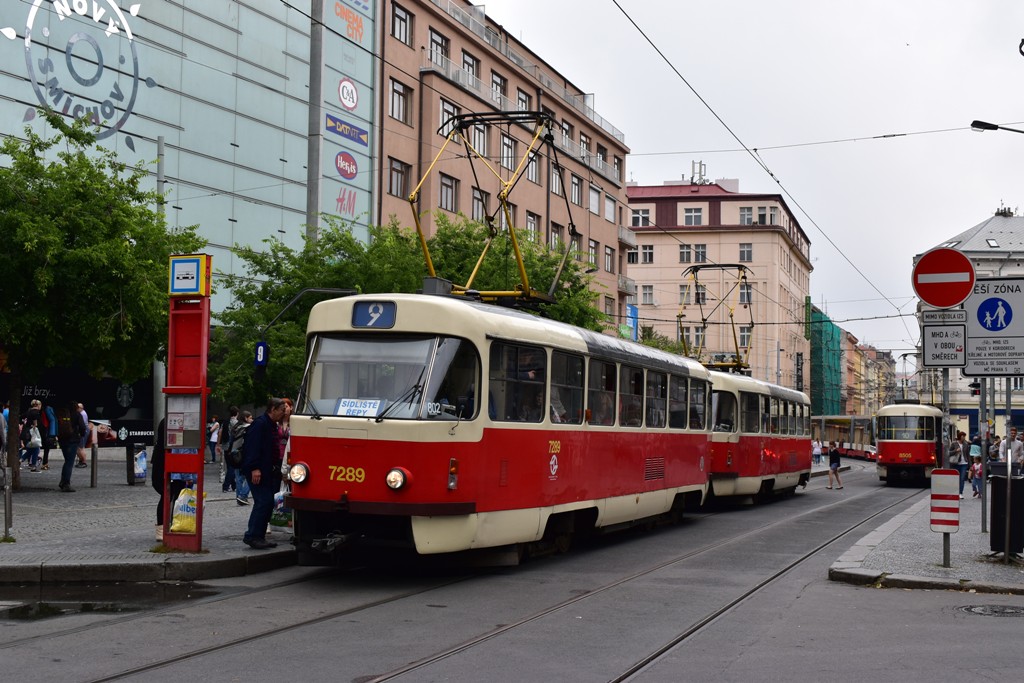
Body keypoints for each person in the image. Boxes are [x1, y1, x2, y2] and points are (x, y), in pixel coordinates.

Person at [241, 398, 288, 549]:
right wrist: (255, 468)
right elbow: (252, 447)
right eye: (282, 410)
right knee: (264, 502)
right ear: (273, 409)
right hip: (258, 470)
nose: (283, 413)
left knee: (266, 502)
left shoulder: (270, 425)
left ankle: (258, 536)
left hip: (266, 470)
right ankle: (252, 535)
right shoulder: (260, 424)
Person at [56, 400, 85, 492]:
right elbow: (82, 427)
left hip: (62, 439)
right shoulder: (77, 414)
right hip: (72, 440)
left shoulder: (63, 414)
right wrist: (82, 435)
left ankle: (63, 481)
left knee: (67, 461)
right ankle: (66, 483)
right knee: (69, 462)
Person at [230, 410, 254, 505]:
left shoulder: (235, 427)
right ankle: (243, 496)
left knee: (238, 477)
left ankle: (239, 497)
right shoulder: (247, 427)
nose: (252, 420)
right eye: (250, 418)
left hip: (234, 453)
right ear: (246, 418)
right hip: (243, 453)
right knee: (249, 477)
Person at [220, 406, 239, 493]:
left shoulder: (225, 422)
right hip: (232, 446)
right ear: (237, 413)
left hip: (225, 445)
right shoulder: (236, 422)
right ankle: (226, 485)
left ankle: (233, 485)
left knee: (229, 466)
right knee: (232, 467)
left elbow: (220, 432)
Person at [21, 399, 43, 472]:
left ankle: (20, 460)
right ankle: (33, 466)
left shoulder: (29, 411)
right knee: (36, 449)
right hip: (32, 433)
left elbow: (22, 417)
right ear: (38, 405)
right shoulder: (36, 413)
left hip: (26, 432)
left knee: (31, 450)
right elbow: (35, 424)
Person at [949, 431, 968, 499]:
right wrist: (956, 451)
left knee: (962, 479)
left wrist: (970, 465)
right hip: (956, 463)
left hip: (964, 463)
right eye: (963, 436)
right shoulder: (954, 443)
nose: (964, 438)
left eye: (964, 436)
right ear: (960, 436)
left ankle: (960, 493)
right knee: (956, 479)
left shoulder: (966, 444)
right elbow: (949, 453)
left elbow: (967, 455)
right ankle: (955, 492)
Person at [40, 401, 57, 470]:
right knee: (45, 449)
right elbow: (52, 420)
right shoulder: (48, 410)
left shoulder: (44, 411)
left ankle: (45, 463)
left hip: (44, 431)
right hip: (46, 432)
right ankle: (44, 463)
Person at [75, 402, 90, 468]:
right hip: (83, 430)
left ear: (81, 408)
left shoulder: (82, 414)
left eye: (78, 407)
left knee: (81, 447)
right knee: (79, 447)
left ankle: (83, 461)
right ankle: (81, 461)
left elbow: (82, 425)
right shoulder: (81, 413)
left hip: (83, 430)